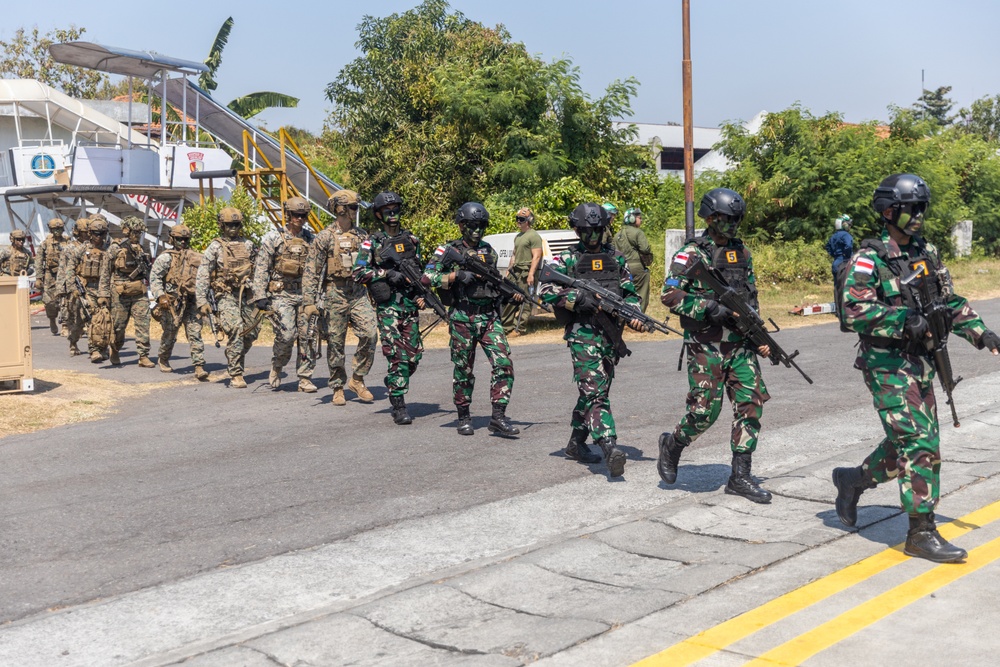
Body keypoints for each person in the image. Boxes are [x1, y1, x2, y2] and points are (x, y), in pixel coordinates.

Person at [833, 173, 1000, 563]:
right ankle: (920, 532)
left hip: (921, 360)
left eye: (922, 208)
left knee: (908, 441)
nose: (920, 216)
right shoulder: (868, 259)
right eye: (913, 209)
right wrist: (903, 321)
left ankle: (853, 480)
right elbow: (852, 311)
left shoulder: (925, 254)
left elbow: (948, 302)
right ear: (890, 212)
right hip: (888, 364)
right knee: (921, 444)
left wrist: (982, 333)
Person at [656, 187, 774, 503]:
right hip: (705, 344)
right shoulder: (691, 254)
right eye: (726, 219)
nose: (733, 225)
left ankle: (740, 476)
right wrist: (709, 308)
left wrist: (759, 335)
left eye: (737, 220)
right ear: (710, 218)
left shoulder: (742, 253)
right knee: (704, 412)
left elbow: (750, 297)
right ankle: (673, 444)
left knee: (751, 404)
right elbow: (669, 295)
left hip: (740, 345)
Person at [539, 202, 646, 477]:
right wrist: (577, 299)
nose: (594, 236)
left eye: (598, 230)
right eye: (587, 231)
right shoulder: (567, 259)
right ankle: (609, 446)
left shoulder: (617, 258)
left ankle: (576, 443)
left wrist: (634, 314)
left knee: (595, 392)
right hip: (582, 335)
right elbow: (545, 290)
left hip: (610, 334)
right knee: (595, 392)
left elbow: (630, 293)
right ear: (577, 230)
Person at [423, 202, 520, 437]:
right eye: (472, 226)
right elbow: (427, 277)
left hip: (488, 317)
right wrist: (456, 275)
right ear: (461, 226)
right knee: (463, 369)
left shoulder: (489, 250)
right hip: (462, 318)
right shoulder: (447, 250)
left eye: (481, 226)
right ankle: (463, 416)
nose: (477, 231)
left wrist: (510, 295)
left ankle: (498, 416)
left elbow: (494, 282)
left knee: (504, 364)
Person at [353, 191, 425, 424]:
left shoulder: (412, 240)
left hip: (409, 306)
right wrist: (386, 273)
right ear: (378, 214)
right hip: (388, 307)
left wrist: (422, 295)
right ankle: (399, 405)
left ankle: (395, 381)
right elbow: (358, 272)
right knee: (396, 357)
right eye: (387, 211)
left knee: (414, 357)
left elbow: (420, 272)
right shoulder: (371, 242)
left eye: (396, 210)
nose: (393, 215)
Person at [302, 190, 377, 406]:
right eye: (353, 207)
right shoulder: (324, 237)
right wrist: (308, 302)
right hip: (334, 293)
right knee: (335, 342)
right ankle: (337, 386)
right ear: (340, 209)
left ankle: (357, 379)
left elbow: (372, 265)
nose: (356, 212)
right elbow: (311, 270)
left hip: (358, 292)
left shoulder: (363, 236)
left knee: (370, 334)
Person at [252, 197, 317, 393]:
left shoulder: (311, 240)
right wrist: (259, 295)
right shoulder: (273, 238)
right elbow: (262, 268)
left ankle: (305, 377)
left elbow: (317, 269)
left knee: (308, 335)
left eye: (303, 215)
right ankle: (277, 366)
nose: (300, 218)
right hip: (281, 295)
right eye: (296, 215)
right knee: (287, 334)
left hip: (304, 295)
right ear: (288, 215)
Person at [196, 207, 258, 388]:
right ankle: (236, 373)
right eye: (229, 225)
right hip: (226, 295)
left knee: (253, 331)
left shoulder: (248, 245)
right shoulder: (215, 247)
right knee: (236, 329)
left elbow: (259, 270)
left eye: (236, 225)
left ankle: (233, 352)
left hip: (247, 294)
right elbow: (203, 274)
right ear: (222, 225)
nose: (233, 229)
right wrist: (202, 301)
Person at [149, 224, 209, 380]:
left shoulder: (195, 257)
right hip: (172, 303)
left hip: (191, 301)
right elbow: (155, 278)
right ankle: (163, 358)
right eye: (179, 239)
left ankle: (199, 366)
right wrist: (160, 296)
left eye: (185, 239)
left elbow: (204, 277)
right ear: (172, 239)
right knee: (170, 334)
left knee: (195, 332)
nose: (183, 242)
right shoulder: (166, 257)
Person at [100, 216, 154, 367]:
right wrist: (103, 294)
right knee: (118, 326)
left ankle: (143, 355)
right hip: (119, 292)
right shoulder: (115, 248)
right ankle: (115, 350)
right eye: (135, 232)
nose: (137, 235)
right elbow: (105, 272)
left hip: (138, 290)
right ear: (127, 231)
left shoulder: (141, 248)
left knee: (143, 322)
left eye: (139, 233)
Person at [65, 218, 111, 363]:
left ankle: (97, 349)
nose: (99, 237)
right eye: (96, 233)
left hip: (103, 289)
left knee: (101, 319)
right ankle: (74, 341)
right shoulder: (81, 250)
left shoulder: (108, 250)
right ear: (90, 233)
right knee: (82, 322)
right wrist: (73, 288)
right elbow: (70, 269)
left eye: (102, 233)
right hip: (85, 289)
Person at [500, 207, 543, 337]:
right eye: (517, 219)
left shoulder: (534, 236)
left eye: (521, 219)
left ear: (529, 220)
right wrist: (508, 270)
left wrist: (531, 274)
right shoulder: (518, 237)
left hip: (526, 272)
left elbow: (536, 256)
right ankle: (506, 327)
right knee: (509, 297)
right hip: (515, 272)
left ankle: (519, 328)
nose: (518, 222)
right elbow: (513, 255)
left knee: (525, 300)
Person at [57, 217, 90, 356]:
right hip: (74, 286)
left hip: (91, 286)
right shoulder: (69, 249)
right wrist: (62, 290)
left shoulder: (94, 247)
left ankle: (96, 347)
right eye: (84, 232)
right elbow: (63, 270)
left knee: (94, 317)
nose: (87, 235)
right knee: (76, 320)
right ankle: (73, 342)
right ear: (77, 232)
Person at [613, 207, 655, 312]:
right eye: (639, 218)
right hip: (637, 267)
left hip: (622, 267)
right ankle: (639, 315)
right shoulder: (638, 232)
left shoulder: (617, 235)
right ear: (631, 219)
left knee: (626, 291)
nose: (641, 220)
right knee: (642, 291)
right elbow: (645, 249)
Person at [35, 218, 66, 335]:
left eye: (59, 228)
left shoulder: (67, 242)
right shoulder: (45, 244)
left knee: (66, 300)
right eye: (55, 229)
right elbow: (38, 261)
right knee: (50, 302)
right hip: (49, 276)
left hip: (64, 275)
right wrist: (38, 278)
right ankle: (52, 319)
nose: (57, 231)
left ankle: (65, 325)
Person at [825, 214, 854, 279]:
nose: (849, 226)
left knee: (837, 286)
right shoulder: (846, 235)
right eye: (848, 224)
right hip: (845, 263)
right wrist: (847, 255)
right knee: (846, 286)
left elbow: (828, 247)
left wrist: (836, 255)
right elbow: (848, 246)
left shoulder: (834, 236)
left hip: (836, 263)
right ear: (844, 225)